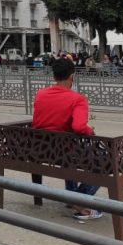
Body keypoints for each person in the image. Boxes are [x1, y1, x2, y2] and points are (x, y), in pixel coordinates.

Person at [32, 58, 101, 221]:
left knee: (68, 149)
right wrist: (90, 131)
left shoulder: (41, 94)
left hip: (40, 150)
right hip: (64, 152)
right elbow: (79, 127)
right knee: (106, 161)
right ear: (72, 76)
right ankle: (78, 200)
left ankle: (72, 195)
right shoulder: (77, 99)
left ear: (54, 76)